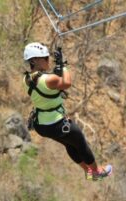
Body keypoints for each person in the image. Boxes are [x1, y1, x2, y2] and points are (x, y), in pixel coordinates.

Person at [23, 42, 112, 180]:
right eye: (45, 58)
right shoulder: (48, 79)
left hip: (41, 125)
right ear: (34, 60)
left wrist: (58, 67)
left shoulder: (27, 79)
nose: (48, 60)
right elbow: (67, 83)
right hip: (55, 123)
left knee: (69, 144)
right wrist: (62, 65)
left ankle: (88, 172)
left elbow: (48, 82)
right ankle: (96, 172)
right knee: (80, 143)